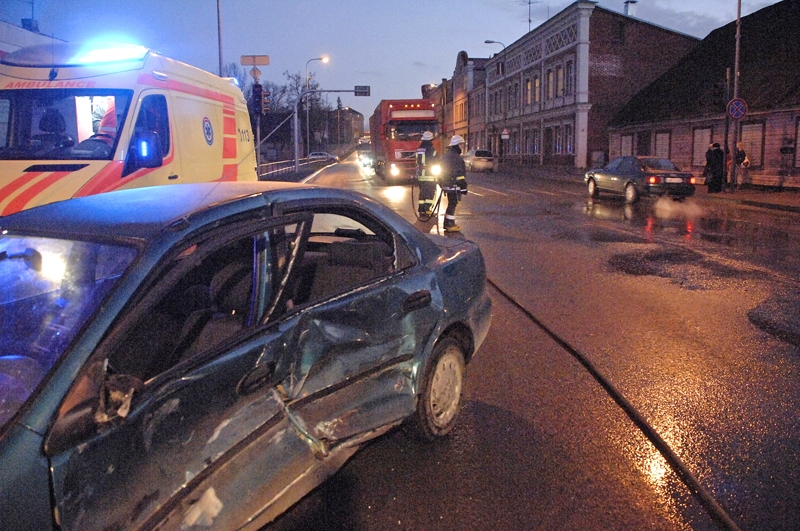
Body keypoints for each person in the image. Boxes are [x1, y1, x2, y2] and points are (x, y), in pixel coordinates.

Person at [440, 135, 468, 232]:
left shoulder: (446, 156)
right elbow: (459, 173)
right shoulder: (456, 157)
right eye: (461, 144)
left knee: (451, 203)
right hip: (454, 185)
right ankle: (449, 224)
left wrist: (442, 183)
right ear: (457, 145)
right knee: (453, 203)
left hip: (448, 183)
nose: (462, 146)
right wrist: (463, 186)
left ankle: (448, 223)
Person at [415, 131, 437, 216]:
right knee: (430, 193)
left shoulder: (419, 150)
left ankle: (421, 210)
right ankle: (428, 209)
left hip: (421, 175)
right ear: (431, 140)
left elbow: (417, 163)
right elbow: (436, 161)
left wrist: (416, 176)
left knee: (422, 193)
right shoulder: (432, 150)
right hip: (430, 175)